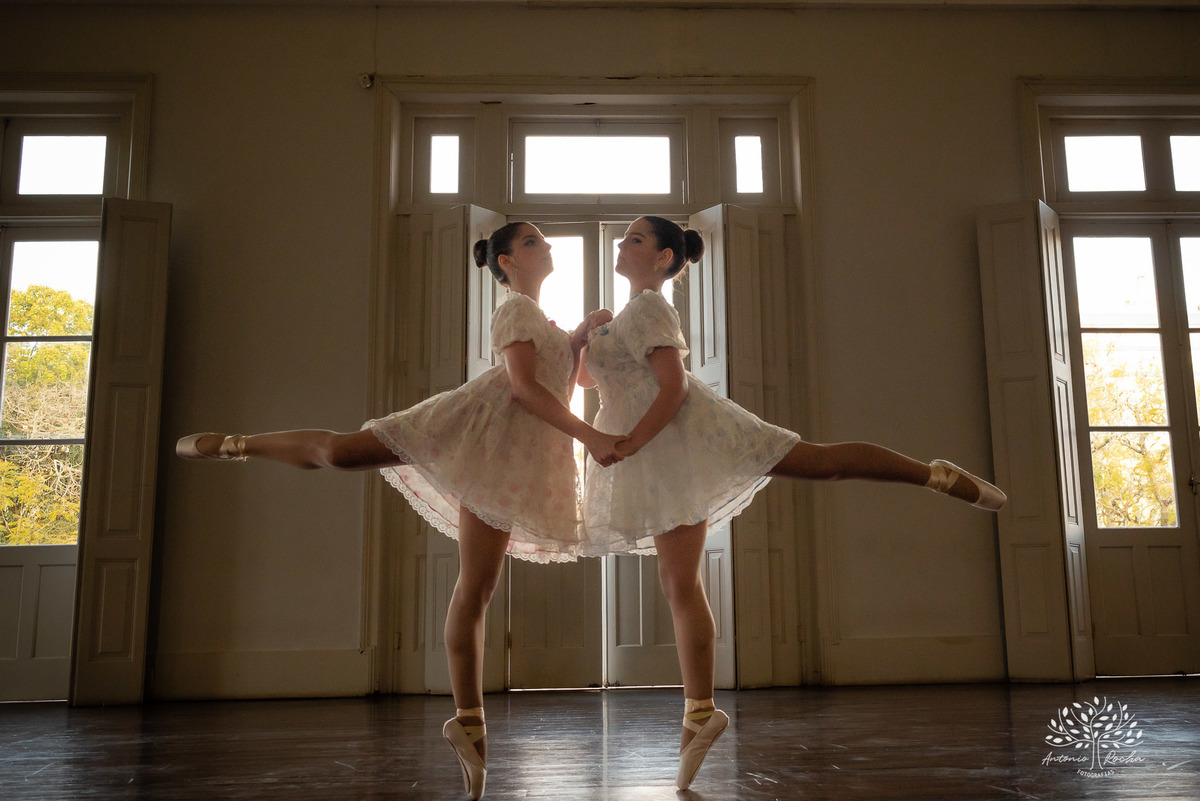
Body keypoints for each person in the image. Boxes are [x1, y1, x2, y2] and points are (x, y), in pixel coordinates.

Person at [176, 222, 623, 801]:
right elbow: (521, 388)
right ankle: (236, 444)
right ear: (507, 263)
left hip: (506, 461)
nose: (547, 246)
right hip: (473, 428)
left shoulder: (545, 322)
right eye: (533, 241)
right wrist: (590, 436)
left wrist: (582, 337)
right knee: (340, 453)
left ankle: (468, 723)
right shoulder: (514, 310)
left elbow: (571, 380)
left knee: (477, 587)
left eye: (544, 239)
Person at [576, 215, 1005, 790]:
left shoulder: (651, 306)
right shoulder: (622, 315)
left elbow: (673, 388)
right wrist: (585, 334)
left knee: (821, 464)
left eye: (635, 238)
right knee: (679, 585)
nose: (621, 244)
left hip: (687, 437)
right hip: (660, 455)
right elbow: (591, 381)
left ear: (662, 258)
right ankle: (699, 713)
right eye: (623, 237)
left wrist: (629, 444)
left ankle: (933, 474)